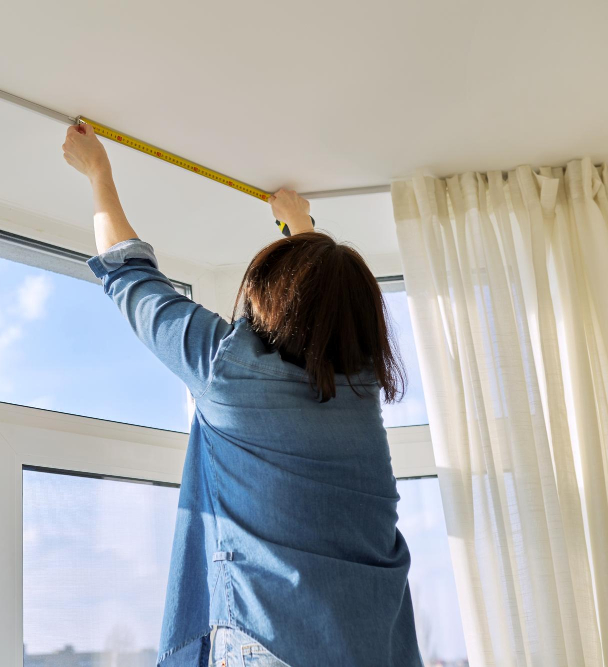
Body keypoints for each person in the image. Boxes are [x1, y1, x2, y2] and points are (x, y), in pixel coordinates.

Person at [62, 122, 422, 667]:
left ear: (269, 296)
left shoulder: (227, 370)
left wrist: (98, 173)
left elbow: (131, 277)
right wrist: (302, 229)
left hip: (275, 645)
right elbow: (322, 310)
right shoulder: (361, 385)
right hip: (375, 638)